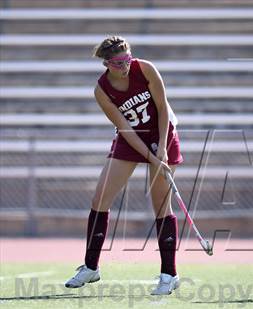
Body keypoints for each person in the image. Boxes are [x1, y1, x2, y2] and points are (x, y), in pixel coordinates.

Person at [64, 35, 183, 295]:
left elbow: (162, 108)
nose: (125, 65)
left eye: (127, 58)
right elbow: (125, 129)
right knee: (100, 198)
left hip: (163, 133)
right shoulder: (101, 90)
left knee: (161, 204)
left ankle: (169, 274)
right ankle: (91, 267)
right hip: (131, 139)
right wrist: (150, 157)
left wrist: (161, 148)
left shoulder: (146, 68)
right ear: (106, 63)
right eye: (118, 62)